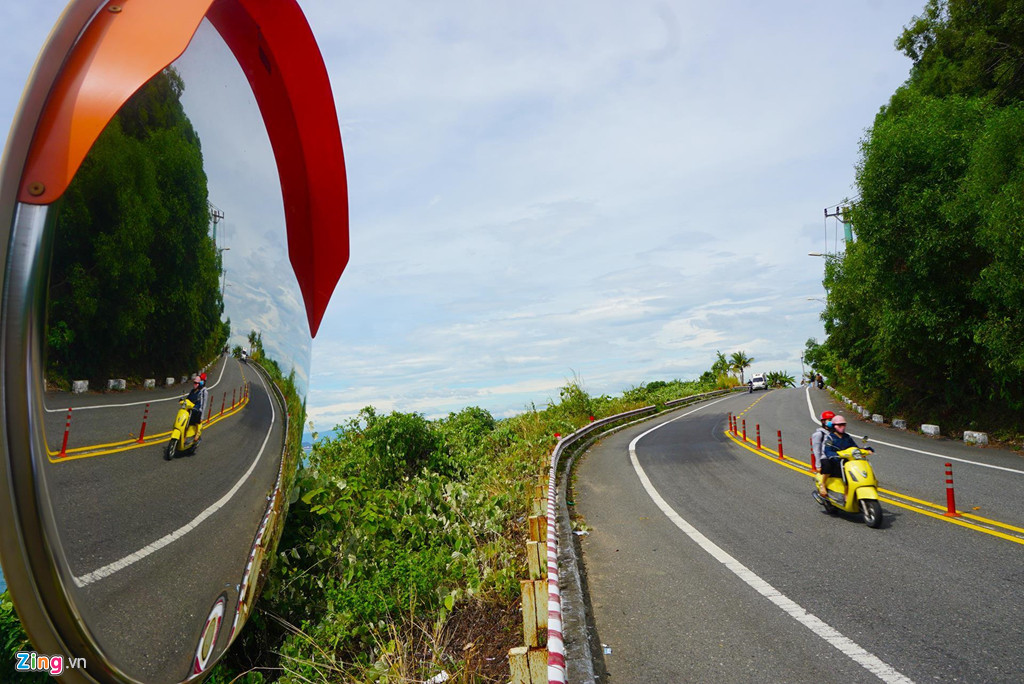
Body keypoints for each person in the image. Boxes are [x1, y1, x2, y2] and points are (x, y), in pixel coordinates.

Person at [817, 416, 871, 499]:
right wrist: (833, 455)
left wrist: (865, 450)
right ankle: (823, 484)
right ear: (834, 426)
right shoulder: (830, 437)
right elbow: (827, 449)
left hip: (845, 459)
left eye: (843, 425)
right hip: (834, 459)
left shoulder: (847, 437)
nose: (842, 427)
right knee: (827, 464)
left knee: (853, 470)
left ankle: (848, 490)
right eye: (839, 425)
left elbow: (854, 447)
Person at [812, 411, 835, 496]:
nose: (831, 422)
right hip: (825, 458)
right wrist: (818, 465)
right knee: (828, 465)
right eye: (829, 420)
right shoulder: (819, 434)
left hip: (835, 456)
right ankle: (823, 485)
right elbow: (816, 450)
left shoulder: (835, 433)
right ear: (823, 421)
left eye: (832, 420)